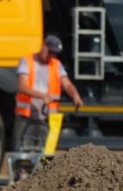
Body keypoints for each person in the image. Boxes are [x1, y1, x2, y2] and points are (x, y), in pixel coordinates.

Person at [11, 33, 86, 179]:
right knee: (23, 149)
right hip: (26, 114)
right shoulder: (27, 61)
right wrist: (42, 96)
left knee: (45, 150)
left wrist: (75, 95)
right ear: (43, 47)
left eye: (55, 53)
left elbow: (67, 84)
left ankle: (41, 178)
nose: (52, 55)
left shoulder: (56, 65)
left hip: (46, 117)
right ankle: (21, 176)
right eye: (50, 51)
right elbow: (22, 86)